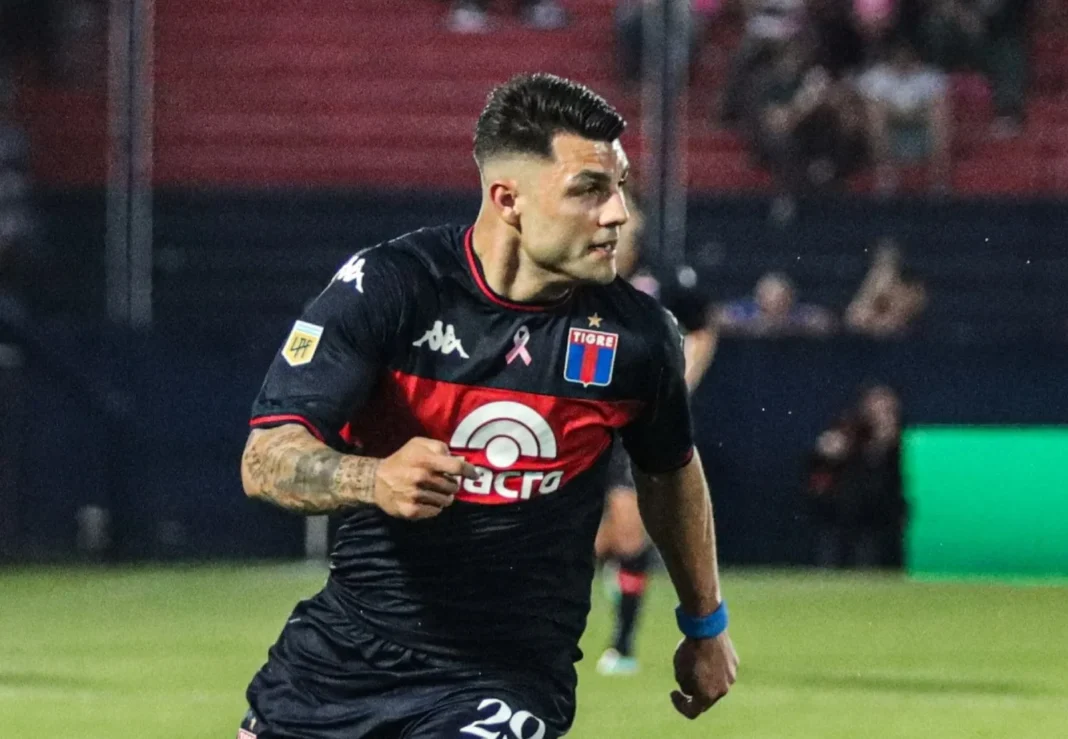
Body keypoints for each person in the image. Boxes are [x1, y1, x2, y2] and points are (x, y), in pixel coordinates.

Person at [238, 73, 738, 739]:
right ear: (508, 199)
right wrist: (371, 477)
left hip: (503, 678)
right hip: (336, 667)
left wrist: (706, 624)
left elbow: (670, 472)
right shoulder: (392, 288)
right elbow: (266, 458)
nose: (618, 213)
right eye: (590, 189)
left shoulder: (638, 336)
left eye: (618, 187)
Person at [593, 192, 719, 676]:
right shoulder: (577, 270)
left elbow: (704, 325)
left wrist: (681, 382)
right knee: (589, 536)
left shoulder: (664, 277)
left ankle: (622, 643)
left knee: (630, 529)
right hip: (582, 416)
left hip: (639, 421)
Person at [717, 271, 835, 337]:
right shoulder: (746, 312)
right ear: (758, 297)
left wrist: (788, 327)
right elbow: (719, 317)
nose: (775, 303)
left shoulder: (797, 313)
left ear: (790, 298)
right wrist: (753, 325)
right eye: (769, 296)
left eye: (781, 299)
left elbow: (824, 320)